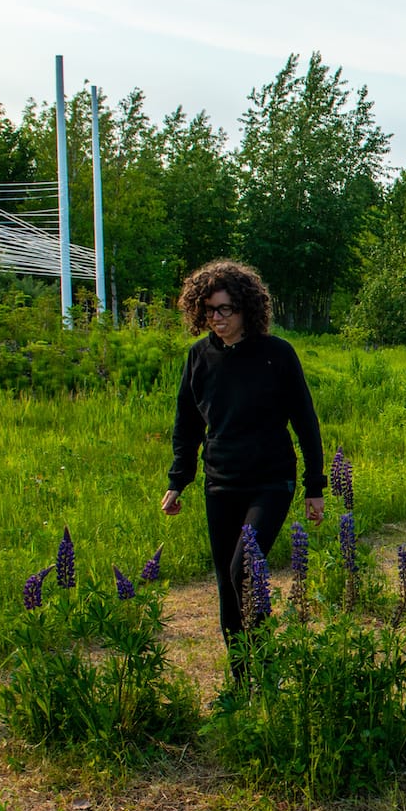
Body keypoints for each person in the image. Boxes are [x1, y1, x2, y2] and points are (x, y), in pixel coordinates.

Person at [160, 260, 325, 650]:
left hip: (270, 482)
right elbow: (186, 425)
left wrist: (314, 487)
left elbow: (306, 423)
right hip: (220, 484)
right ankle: (241, 680)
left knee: (245, 570)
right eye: (208, 310)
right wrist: (177, 481)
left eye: (225, 309)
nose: (216, 318)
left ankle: (265, 662)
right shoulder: (199, 357)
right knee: (227, 585)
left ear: (246, 308)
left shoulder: (277, 355)